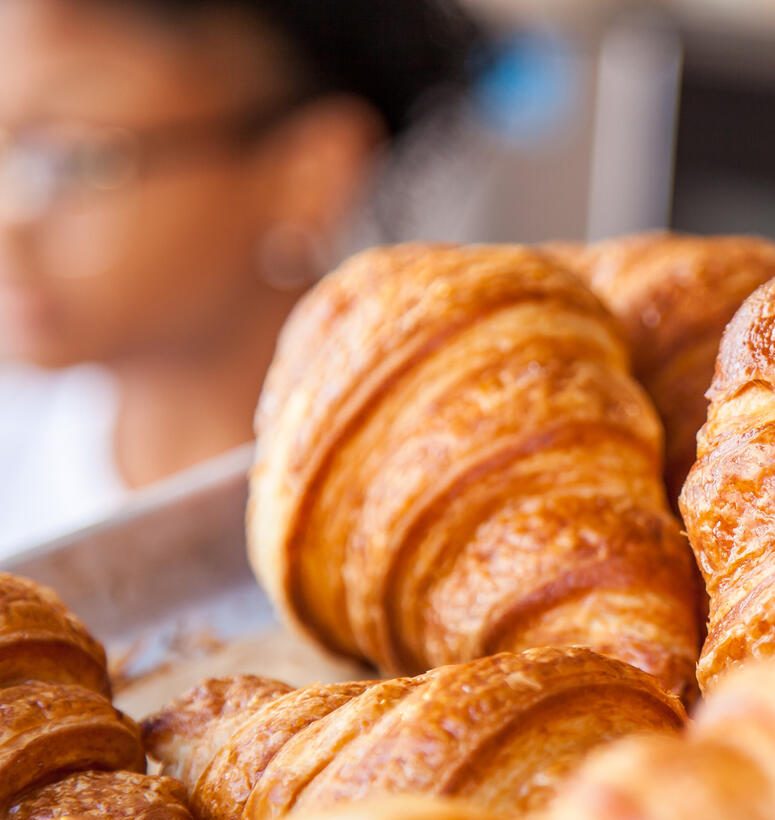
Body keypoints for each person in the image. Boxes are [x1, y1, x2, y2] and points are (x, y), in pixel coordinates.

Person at [0, 0, 485, 557]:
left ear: (307, 174)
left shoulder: (438, 496)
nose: (10, 222)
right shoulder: (14, 449)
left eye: (78, 159)